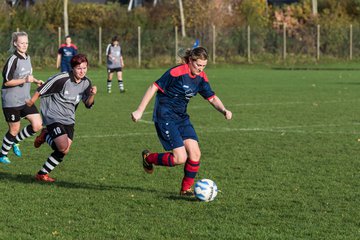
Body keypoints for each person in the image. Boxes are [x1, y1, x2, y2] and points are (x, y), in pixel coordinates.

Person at [131, 47, 232, 196]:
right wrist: (140, 110)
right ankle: (148, 158)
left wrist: (224, 110)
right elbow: (154, 86)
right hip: (165, 115)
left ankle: (185, 190)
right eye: (198, 65)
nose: (201, 69)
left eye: (204, 65)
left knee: (195, 154)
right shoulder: (177, 72)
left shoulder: (201, 78)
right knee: (180, 158)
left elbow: (212, 97)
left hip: (181, 117)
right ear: (190, 61)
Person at [26, 54, 97, 182]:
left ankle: (42, 174)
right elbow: (42, 89)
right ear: (73, 68)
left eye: (85, 68)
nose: (82, 71)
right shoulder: (62, 78)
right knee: (62, 145)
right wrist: (31, 103)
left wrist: (92, 95)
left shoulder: (86, 83)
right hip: (53, 115)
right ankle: (46, 135)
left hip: (69, 118)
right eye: (79, 68)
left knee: (64, 149)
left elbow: (88, 104)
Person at [0, 31, 43, 164]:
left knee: (37, 125)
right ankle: (2, 154)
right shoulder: (13, 59)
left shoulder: (27, 57)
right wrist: (25, 80)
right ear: (15, 44)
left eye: (26, 43)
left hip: (25, 99)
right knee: (14, 129)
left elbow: (28, 76)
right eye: (21, 43)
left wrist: (35, 81)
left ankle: (15, 142)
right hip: (11, 100)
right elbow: (7, 81)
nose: (24, 45)